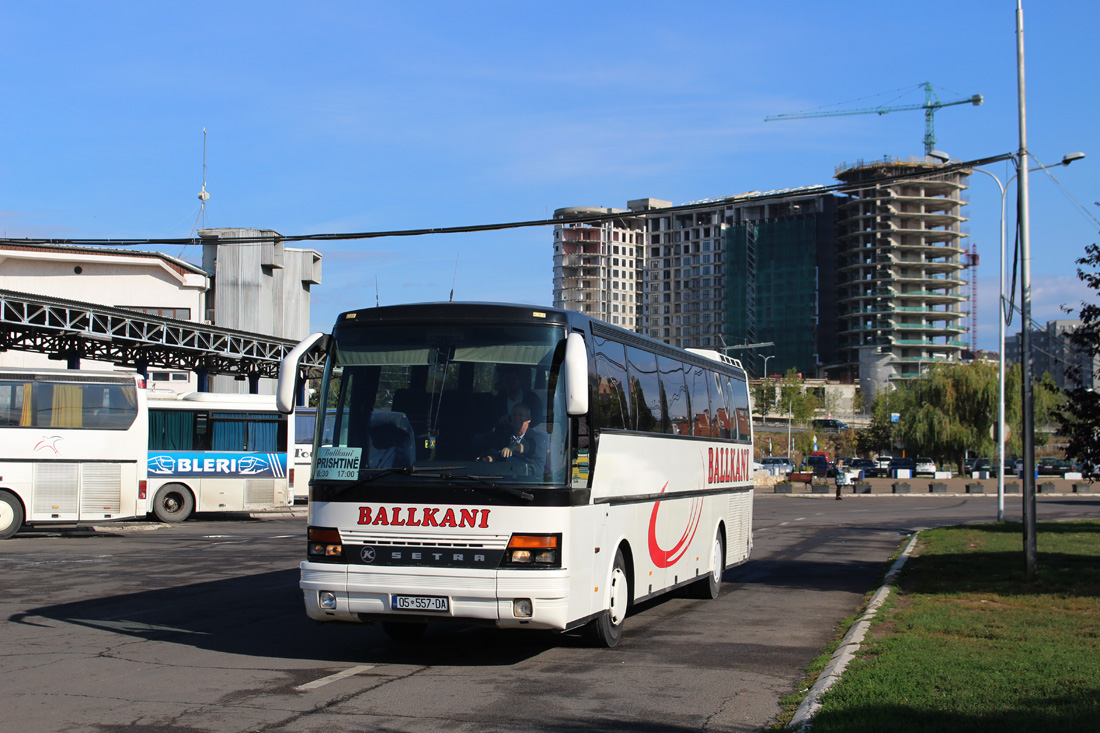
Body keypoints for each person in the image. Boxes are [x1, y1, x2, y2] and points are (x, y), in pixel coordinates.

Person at [477, 402, 547, 477]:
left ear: (528, 419)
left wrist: (514, 447)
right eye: (514, 415)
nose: (517, 418)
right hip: (506, 481)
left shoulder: (539, 437)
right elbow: (497, 452)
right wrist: (489, 458)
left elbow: (530, 447)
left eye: (520, 415)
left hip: (530, 482)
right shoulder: (505, 436)